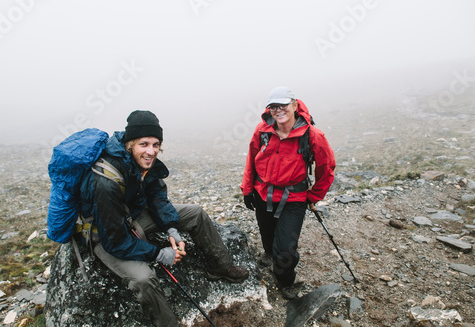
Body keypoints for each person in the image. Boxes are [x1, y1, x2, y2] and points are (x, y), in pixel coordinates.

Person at [79, 110, 249, 326]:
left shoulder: (143, 163)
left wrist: (170, 229)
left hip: (132, 217)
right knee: (144, 278)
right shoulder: (107, 181)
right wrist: (160, 253)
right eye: (144, 144)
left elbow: (157, 196)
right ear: (130, 143)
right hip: (104, 235)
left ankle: (220, 267)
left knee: (195, 213)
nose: (151, 151)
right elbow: (116, 241)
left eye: (156, 144)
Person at [240, 86, 335, 300]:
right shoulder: (262, 130)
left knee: (286, 249)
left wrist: (314, 196)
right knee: (267, 234)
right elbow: (251, 159)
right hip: (263, 192)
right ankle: (269, 253)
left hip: (294, 198)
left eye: (283, 105)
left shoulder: (312, 135)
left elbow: (326, 168)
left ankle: (285, 281)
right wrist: (247, 189)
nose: (278, 110)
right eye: (273, 106)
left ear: (294, 105)